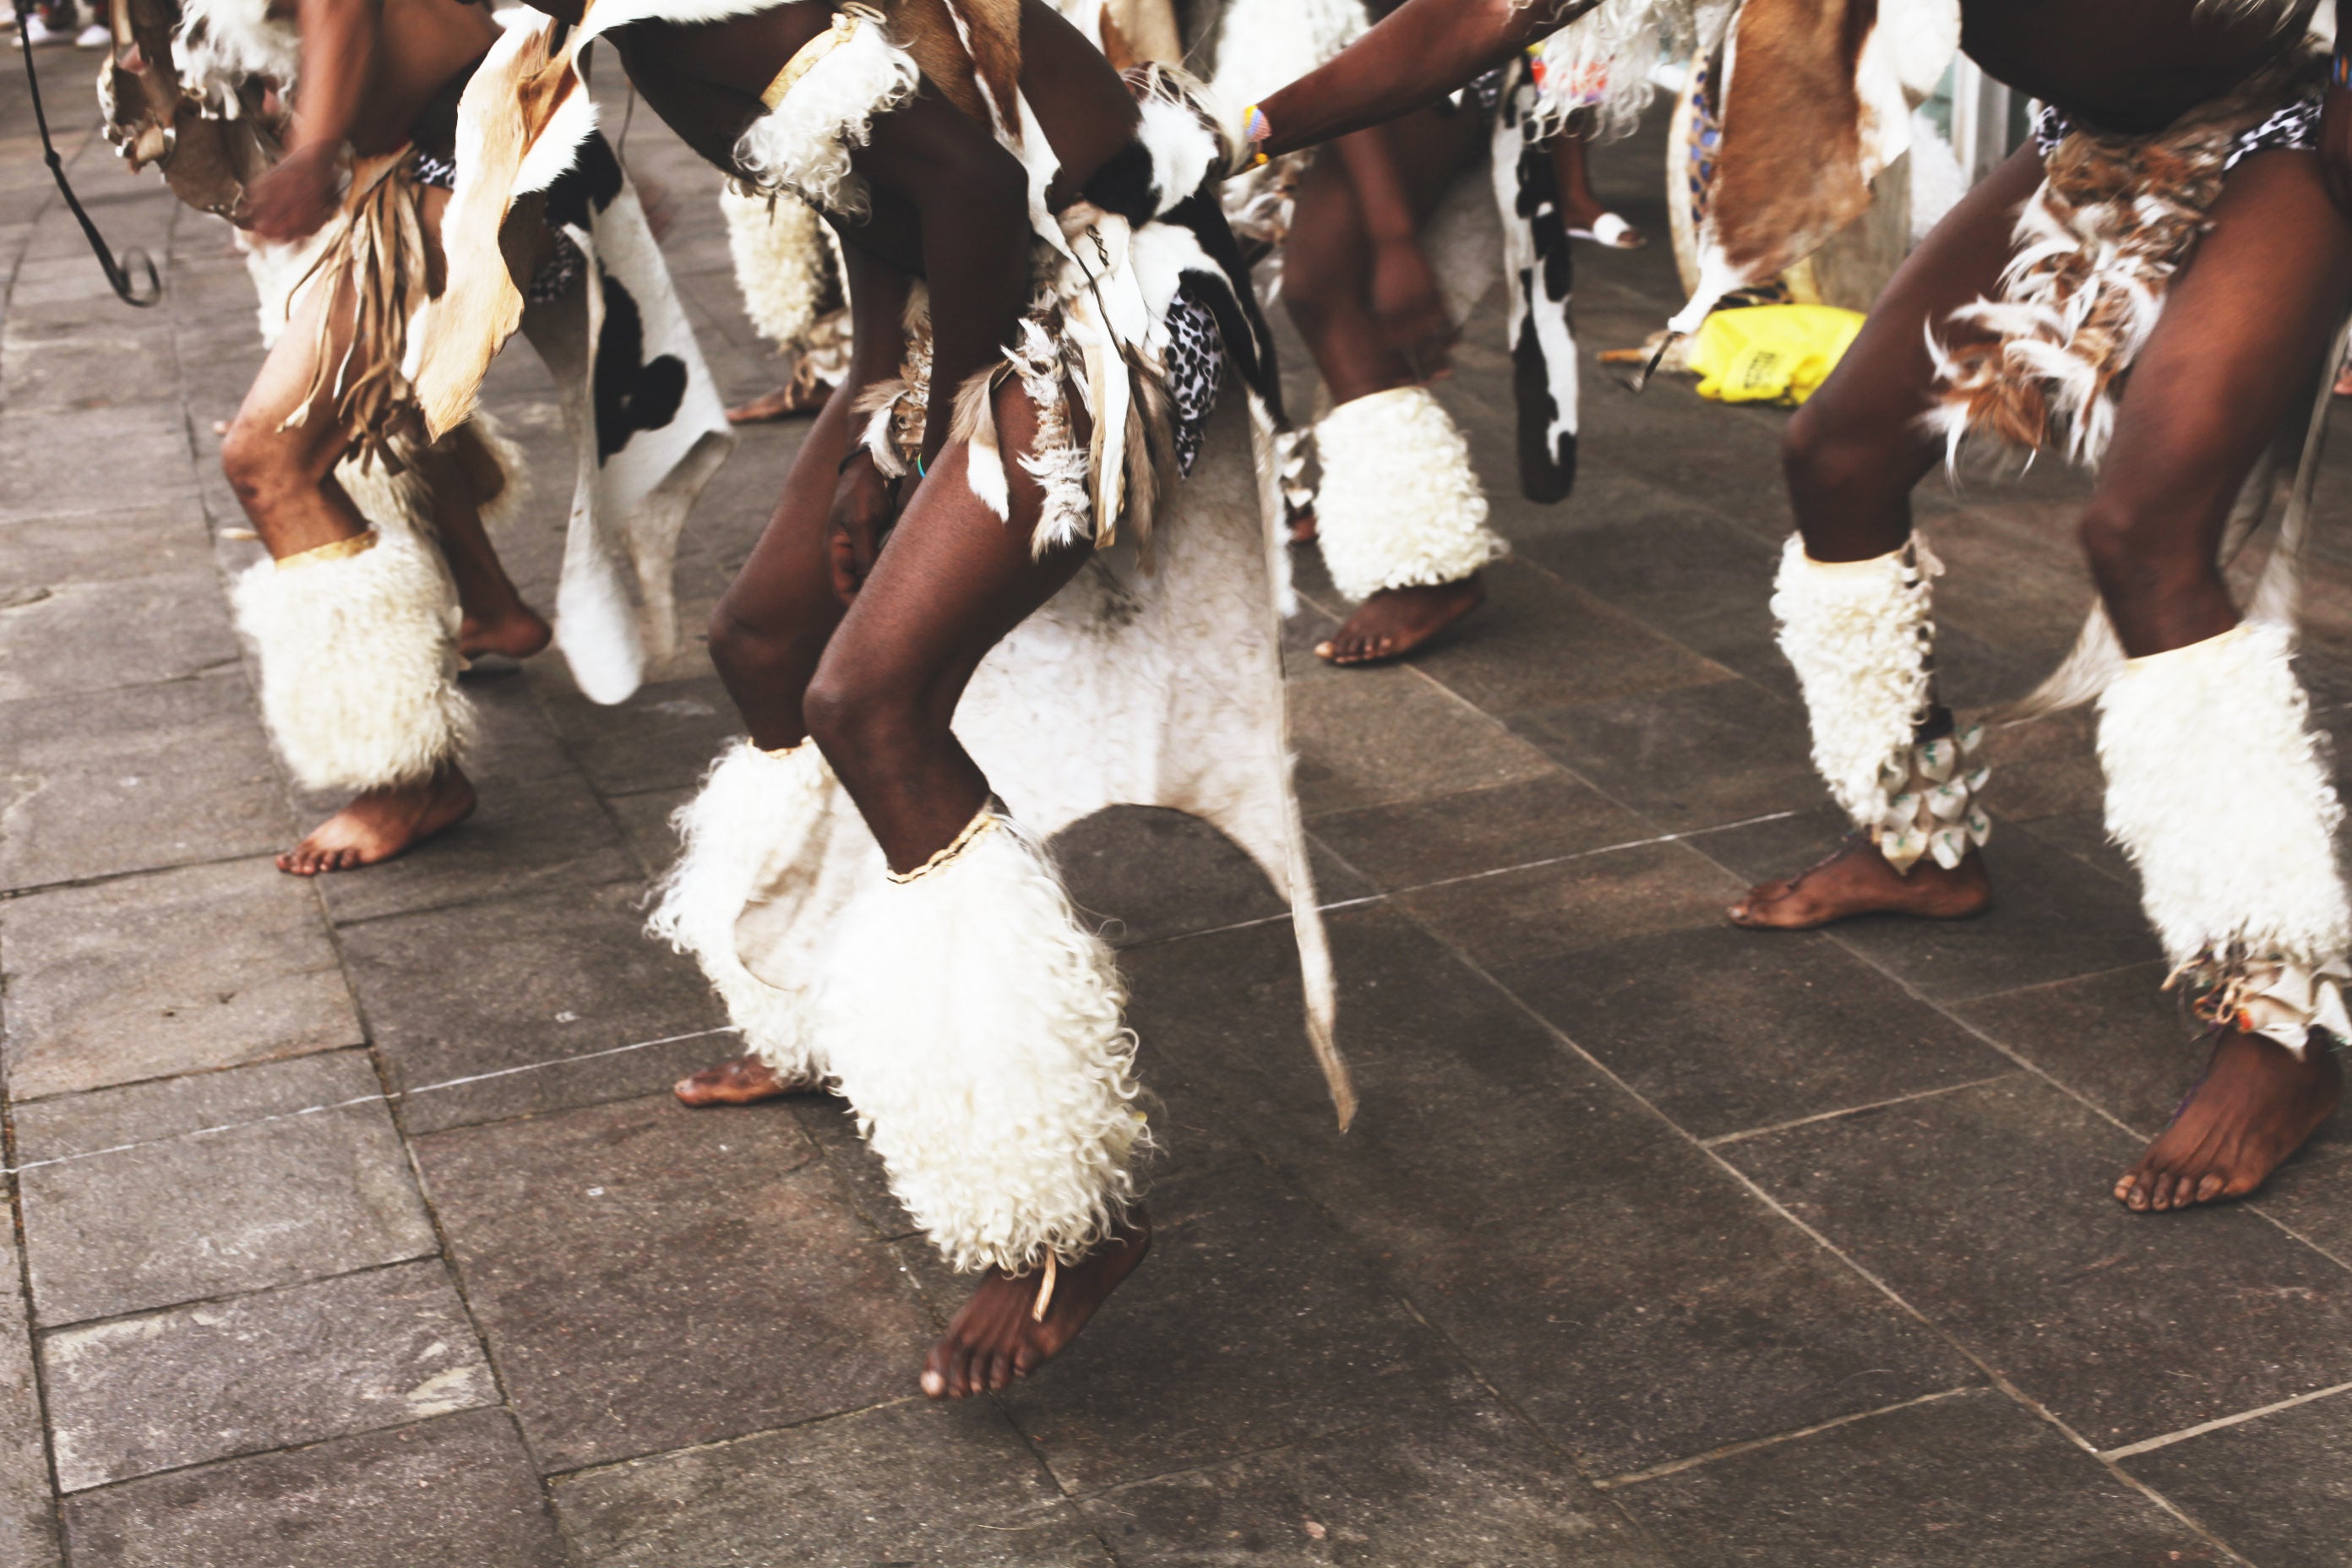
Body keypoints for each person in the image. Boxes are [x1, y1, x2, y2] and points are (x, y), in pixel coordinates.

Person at [1242, 0, 2352, 1211]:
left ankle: (2278, 1022)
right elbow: (1479, 18)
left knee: (2143, 534)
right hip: (2086, 140)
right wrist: (1232, 129)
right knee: (1838, 458)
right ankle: (1919, 843)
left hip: (2292, 135)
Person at [446, 0, 1342, 1398]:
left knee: (871, 697)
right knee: (762, 645)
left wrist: (934, 429)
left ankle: (1062, 1219)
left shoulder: (690, 11)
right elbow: (884, 182)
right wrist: (879, 397)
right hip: (973, 301)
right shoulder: (632, 27)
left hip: (1103, 302)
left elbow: (976, 183)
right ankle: (820, 1012)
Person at [98, 0, 732, 874]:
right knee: (367, 416)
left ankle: (411, 781)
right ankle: (493, 606)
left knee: (271, 455)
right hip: (434, 147)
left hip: (455, 154)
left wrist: (315, 149)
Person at [1210, 0, 1653, 667]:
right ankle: (1332, 507)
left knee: (1325, 286)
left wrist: (1394, 241)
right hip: (1403, 58)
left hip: (1419, 67)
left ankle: (1425, 571)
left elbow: (1356, 40)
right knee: (1311, 286)